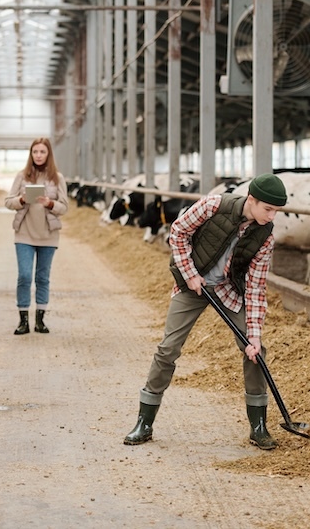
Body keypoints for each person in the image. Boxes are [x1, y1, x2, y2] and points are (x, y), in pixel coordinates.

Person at [123, 173, 288, 449]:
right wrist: (189, 274)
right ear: (251, 200)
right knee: (168, 349)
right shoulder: (214, 205)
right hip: (192, 285)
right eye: (267, 209)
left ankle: (258, 426)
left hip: (228, 290)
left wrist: (255, 336)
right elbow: (178, 232)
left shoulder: (265, 237)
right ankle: (145, 421)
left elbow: (256, 288)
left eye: (276, 211)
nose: (271, 217)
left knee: (256, 351)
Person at [4, 137, 69, 335]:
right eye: (35, 152)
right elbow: (8, 202)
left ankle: (40, 319)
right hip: (24, 233)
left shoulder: (57, 178)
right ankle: (23, 320)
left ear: (48, 154)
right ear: (31, 154)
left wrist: (49, 203)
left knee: (42, 277)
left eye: (42, 152)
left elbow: (64, 207)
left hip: (48, 235)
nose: (38, 155)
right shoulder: (22, 177)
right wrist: (22, 199)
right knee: (24, 276)